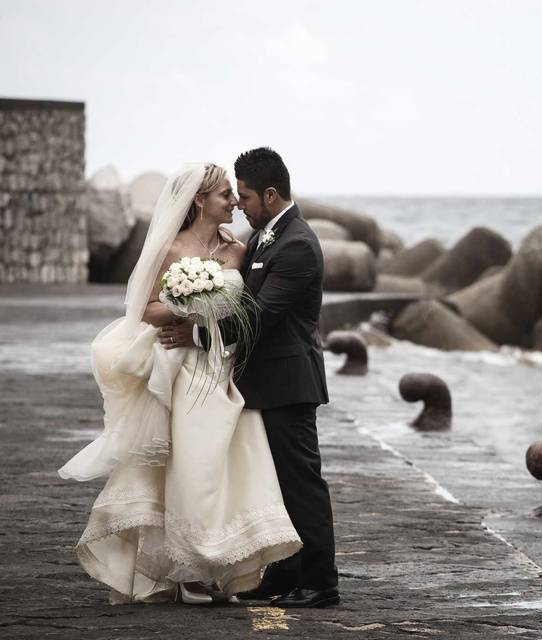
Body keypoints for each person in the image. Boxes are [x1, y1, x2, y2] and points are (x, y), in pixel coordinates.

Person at [59, 163, 302, 604]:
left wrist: (209, 319)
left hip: (224, 366)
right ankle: (185, 571)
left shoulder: (237, 250)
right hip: (181, 366)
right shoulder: (170, 248)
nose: (234, 202)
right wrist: (186, 310)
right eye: (226, 195)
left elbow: (247, 308)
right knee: (191, 464)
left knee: (225, 467)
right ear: (199, 200)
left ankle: (222, 569)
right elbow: (145, 309)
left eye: (236, 194)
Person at [159, 147, 339, 609]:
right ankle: (284, 574)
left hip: (289, 384)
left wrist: (196, 333)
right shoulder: (264, 238)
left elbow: (260, 316)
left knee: (302, 484)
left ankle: (321, 582)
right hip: (263, 384)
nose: (240, 204)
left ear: (271, 194)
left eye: (246, 196)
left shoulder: (296, 243)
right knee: (276, 485)